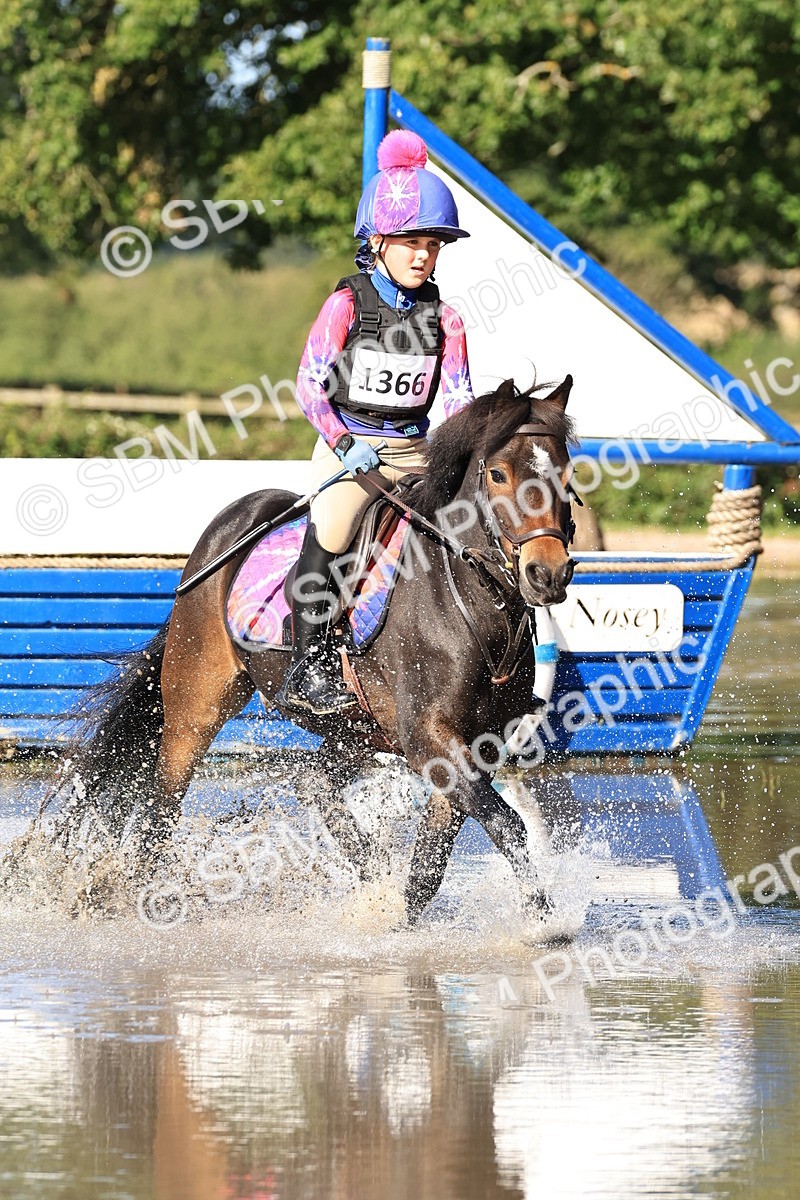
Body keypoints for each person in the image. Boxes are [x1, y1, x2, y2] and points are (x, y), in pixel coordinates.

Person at [275, 129, 475, 718]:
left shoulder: (449, 320)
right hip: (350, 452)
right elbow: (309, 384)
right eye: (411, 241)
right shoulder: (346, 305)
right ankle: (307, 667)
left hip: (416, 453)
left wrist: (455, 456)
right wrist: (343, 443)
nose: (423, 255)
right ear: (378, 241)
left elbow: (458, 403)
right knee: (333, 530)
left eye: (434, 244)